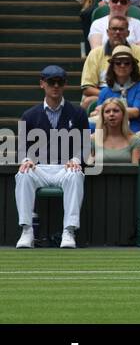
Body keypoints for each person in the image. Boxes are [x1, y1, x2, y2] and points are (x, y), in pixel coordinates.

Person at [14, 67, 88, 249]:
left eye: (59, 82)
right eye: (51, 82)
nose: (55, 86)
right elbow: (22, 147)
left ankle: (68, 231)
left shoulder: (78, 113)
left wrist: (76, 160)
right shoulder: (29, 115)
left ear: (65, 85)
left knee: (76, 175)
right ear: (42, 84)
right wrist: (26, 160)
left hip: (65, 168)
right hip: (39, 168)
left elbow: (85, 145)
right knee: (23, 175)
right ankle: (27, 230)